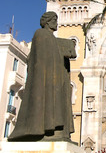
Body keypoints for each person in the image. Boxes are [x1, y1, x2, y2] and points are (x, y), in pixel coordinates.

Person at [8, 12, 76, 142]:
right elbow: (39, 59)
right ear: (48, 22)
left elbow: (54, 56)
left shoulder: (51, 38)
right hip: (45, 79)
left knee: (54, 104)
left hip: (54, 79)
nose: (57, 23)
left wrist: (67, 52)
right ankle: (42, 130)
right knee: (47, 104)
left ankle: (54, 129)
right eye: (54, 20)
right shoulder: (41, 34)